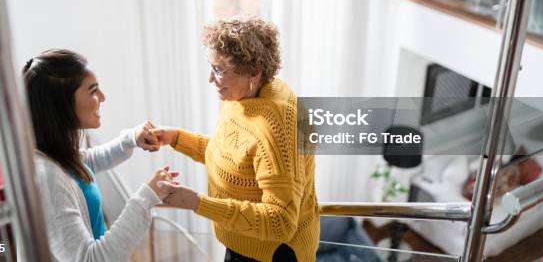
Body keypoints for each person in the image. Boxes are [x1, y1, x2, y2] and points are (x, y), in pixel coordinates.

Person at [152, 16, 320, 262]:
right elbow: (232, 155)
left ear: (253, 72)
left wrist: (198, 203)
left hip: (271, 254)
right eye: (211, 67)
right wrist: (175, 138)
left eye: (219, 70)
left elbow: (281, 221)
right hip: (243, 240)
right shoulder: (240, 98)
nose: (211, 79)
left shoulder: (278, 126)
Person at [23, 49, 176, 262]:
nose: (102, 97)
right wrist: (146, 197)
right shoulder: (48, 180)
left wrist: (132, 138)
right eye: (93, 91)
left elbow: (87, 161)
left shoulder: (57, 155)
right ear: (62, 104)